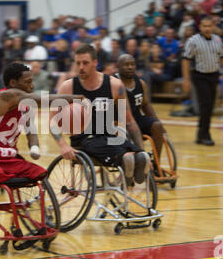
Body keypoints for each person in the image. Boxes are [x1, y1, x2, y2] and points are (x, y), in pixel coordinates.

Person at [51, 44, 150, 187]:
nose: (81, 67)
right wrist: (63, 145)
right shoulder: (68, 87)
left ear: (95, 63)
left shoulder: (115, 85)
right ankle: (126, 162)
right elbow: (53, 121)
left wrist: (141, 148)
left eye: (85, 63)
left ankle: (133, 164)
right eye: (78, 63)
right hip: (83, 140)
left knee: (141, 156)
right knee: (126, 155)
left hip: (109, 137)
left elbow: (129, 121)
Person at [0, 62, 82, 184]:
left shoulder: (27, 106)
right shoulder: (6, 96)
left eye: (32, 81)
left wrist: (34, 147)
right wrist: (79, 98)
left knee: (39, 173)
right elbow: (45, 100)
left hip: (9, 157)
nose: (32, 86)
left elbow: (31, 131)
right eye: (28, 82)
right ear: (13, 83)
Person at [182, 17, 223, 146]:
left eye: (209, 26)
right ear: (200, 27)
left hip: (214, 75)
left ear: (213, 26)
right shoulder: (193, 41)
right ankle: (206, 135)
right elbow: (185, 60)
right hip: (200, 76)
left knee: (210, 106)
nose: (207, 28)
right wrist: (186, 80)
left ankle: (200, 135)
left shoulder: (218, 40)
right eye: (204, 26)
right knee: (206, 104)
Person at [116, 54, 166, 162]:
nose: (130, 67)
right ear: (118, 66)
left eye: (132, 64)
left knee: (157, 126)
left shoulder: (141, 83)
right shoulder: (113, 84)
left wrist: (157, 122)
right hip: (119, 123)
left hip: (137, 119)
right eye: (126, 65)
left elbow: (146, 105)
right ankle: (136, 162)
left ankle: (156, 164)